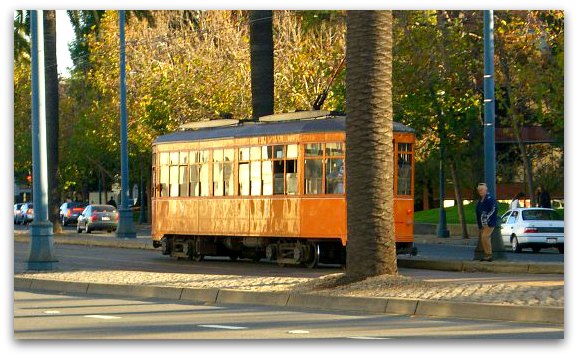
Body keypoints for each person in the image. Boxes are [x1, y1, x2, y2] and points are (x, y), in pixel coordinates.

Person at [475, 183, 498, 262]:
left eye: (482, 190)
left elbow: (494, 208)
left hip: (489, 222)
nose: (480, 191)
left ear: (486, 190)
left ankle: (489, 255)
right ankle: (487, 254)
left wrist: (487, 217)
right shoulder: (480, 201)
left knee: (485, 237)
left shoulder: (489, 199)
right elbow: (478, 212)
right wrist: (480, 224)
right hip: (482, 223)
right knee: (484, 238)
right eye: (479, 190)